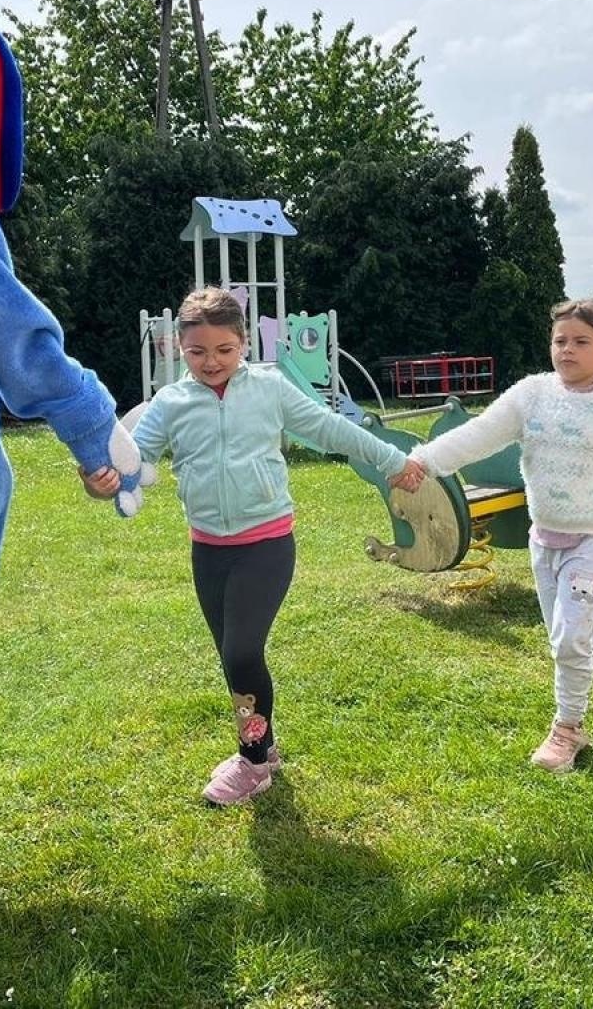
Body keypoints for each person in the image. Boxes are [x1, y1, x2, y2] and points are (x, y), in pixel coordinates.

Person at [94, 287, 422, 806]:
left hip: (266, 544)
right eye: (199, 352)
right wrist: (105, 479)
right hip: (208, 550)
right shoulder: (171, 402)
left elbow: (329, 427)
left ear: (244, 343)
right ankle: (263, 746)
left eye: (225, 350)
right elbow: (134, 457)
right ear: (180, 348)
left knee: (241, 651)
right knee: (235, 660)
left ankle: (251, 766)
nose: (212, 362)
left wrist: (393, 461)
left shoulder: (269, 389)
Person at [407, 299, 593, 772]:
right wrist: (423, 462)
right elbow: (480, 434)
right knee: (569, 634)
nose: (566, 349)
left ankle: (568, 731)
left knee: (569, 639)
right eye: (559, 340)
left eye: (581, 341)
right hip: (545, 537)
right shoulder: (531, 395)